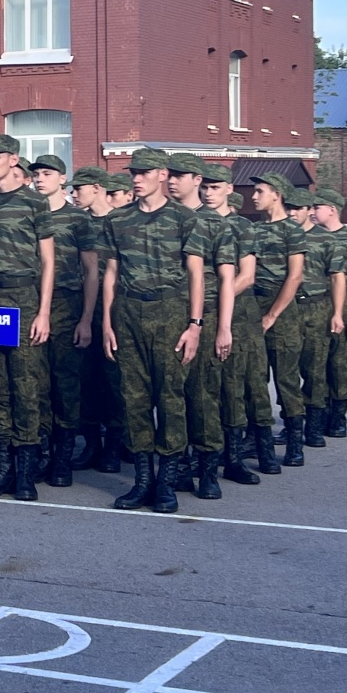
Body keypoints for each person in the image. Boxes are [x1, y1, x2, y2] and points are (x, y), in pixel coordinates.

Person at [101, 149, 207, 514]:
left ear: (163, 174)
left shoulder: (185, 219)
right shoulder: (118, 220)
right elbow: (110, 274)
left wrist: (195, 325)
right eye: (134, 172)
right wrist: (106, 323)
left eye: (145, 172)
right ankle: (142, 481)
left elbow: (195, 274)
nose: (137, 178)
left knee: (171, 398)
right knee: (134, 398)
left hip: (170, 312)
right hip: (129, 312)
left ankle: (167, 482)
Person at [0, 136, 54, 501]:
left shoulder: (35, 203)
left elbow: (48, 261)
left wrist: (44, 312)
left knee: (25, 387)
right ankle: (2, 469)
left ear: (13, 159)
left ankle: (25, 472)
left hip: (22, 297)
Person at [166, 155, 236, 499]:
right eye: (170, 175)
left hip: (204, 318)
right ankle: (178, 466)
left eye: (180, 176)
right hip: (165, 317)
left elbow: (226, 279)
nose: (172, 181)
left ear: (197, 179)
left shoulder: (214, 223)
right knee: (170, 397)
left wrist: (223, 327)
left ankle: (208, 469)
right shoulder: (163, 217)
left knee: (203, 396)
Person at [30, 155, 99, 487]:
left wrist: (86, 318)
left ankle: (63, 458)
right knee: (37, 382)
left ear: (62, 178)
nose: (40, 179)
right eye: (36, 174)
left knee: (66, 383)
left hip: (67, 304)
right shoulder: (29, 213)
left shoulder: (77, 219)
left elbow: (91, 271)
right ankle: (42, 451)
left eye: (47, 174)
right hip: (32, 304)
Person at [203, 167, 272, 482]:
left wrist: (216, 300)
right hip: (199, 315)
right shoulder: (193, 221)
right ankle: (202, 454)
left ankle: (234, 458)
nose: (208, 192)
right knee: (203, 389)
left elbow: (247, 275)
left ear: (229, 189)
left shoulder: (241, 226)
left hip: (236, 316)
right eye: (204, 186)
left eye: (215, 187)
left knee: (235, 385)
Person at [249, 173, 307, 465]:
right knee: (255, 379)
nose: (254, 196)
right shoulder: (253, 230)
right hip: (253, 303)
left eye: (260, 191)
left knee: (286, 380)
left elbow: (294, 276)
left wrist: (272, 315)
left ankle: (295, 442)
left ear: (276, 194)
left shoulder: (292, 231)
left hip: (281, 309)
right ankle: (257, 439)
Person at [68, 166, 123, 472]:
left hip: (114, 309)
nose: (75, 194)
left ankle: (115, 444)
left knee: (114, 379)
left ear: (98, 189)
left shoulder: (119, 221)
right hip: (83, 307)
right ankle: (91, 443)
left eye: (80, 188)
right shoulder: (79, 222)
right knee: (85, 378)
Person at [290, 187, 345, 450]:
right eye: (288, 207)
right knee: (286, 371)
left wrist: (337, 313)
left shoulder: (326, 240)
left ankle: (313, 427)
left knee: (314, 370)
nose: (291, 212)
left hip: (316, 307)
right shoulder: (283, 236)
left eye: (297, 208)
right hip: (289, 308)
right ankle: (292, 423)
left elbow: (337, 278)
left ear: (309, 211)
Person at [311, 188, 347, 438]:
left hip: (346, 303)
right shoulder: (312, 237)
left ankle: (338, 416)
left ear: (331, 209)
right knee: (315, 361)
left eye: (317, 207)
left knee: (339, 362)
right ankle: (317, 414)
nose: (312, 212)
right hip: (319, 302)